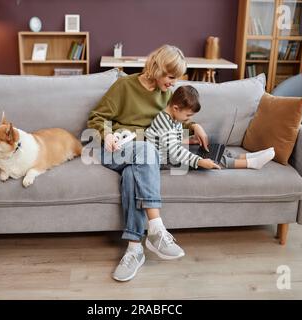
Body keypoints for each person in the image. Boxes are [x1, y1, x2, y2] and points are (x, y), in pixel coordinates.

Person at [87, 45, 210, 282]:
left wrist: (195, 125)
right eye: (171, 77)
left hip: (143, 156)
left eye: (177, 79)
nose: (173, 84)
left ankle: (135, 249)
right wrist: (108, 134)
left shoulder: (166, 94)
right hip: (115, 148)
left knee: (136, 171)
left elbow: (175, 118)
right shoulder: (124, 86)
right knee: (146, 150)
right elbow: (97, 117)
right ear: (158, 68)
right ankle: (156, 229)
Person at [145, 85, 276, 170]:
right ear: (175, 108)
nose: (188, 119)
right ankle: (251, 164)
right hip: (164, 160)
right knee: (210, 160)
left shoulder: (175, 117)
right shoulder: (163, 121)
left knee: (211, 149)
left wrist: (190, 140)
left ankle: (248, 156)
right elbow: (175, 151)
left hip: (170, 152)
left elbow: (170, 141)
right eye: (188, 115)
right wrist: (200, 162)